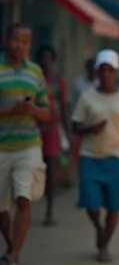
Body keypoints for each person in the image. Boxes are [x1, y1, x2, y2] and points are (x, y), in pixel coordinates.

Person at [72, 50, 119, 263]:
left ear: (116, 72)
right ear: (96, 72)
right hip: (90, 157)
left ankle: (104, 244)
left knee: (114, 206)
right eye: (101, 70)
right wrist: (89, 128)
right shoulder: (87, 98)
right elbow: (75, 125)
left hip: (116, 157)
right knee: (91, 204)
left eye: (110, 70)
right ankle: (98, 227)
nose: (105, 74)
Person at [0, 24, 50, 265]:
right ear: (6, 40)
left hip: (28, 146)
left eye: (25, 41)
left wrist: (33, 111)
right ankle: (10, 249)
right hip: (2, 147)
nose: (20, 45)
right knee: (2, 208)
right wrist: (11, 111)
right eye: (16, 40)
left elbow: (46, 110)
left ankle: (15, 258)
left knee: (23, 199)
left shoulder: (34, 72)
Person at [36, 45, 70, 226]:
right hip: (33, 128)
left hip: (52, 129)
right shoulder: (33, 79)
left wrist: (67, 131)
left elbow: (64, 107)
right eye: (43, 57)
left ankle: (50, 208)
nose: (45, 61)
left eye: (49, 57)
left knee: (51, 168)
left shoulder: (58, 81)